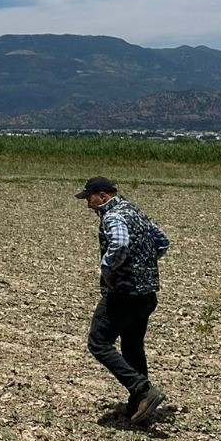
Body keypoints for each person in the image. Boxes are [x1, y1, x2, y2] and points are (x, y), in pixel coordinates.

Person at [77, 175, 170, 424]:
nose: (88, 204)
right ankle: (138, 402)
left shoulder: (113, 215)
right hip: (147, 294)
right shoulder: (134, 211)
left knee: (98, 342)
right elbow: (162, 241)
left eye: (89, 198)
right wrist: (143, 265)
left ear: (103, 196)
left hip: (124, 294)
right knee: (132, 347)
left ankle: (143, 390)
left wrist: (108, 270)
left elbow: (119, 244)